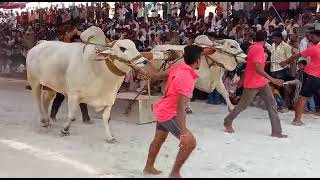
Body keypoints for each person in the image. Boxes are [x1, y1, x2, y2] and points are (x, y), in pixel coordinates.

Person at [143, 45, 204, 178]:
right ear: (197, 60)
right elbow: (181, 108)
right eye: (201, 59)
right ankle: (175, 173)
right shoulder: (187, 77)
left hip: (162, 108)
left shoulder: (178, 67)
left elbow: (156, 76)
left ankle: (148, 167)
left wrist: (147, 67)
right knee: (190, 143)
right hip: (168, 113)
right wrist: (183, 133)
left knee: (159, 138)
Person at [223, 30, 288, 138]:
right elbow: (257, 68)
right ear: (266, 38)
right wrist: (273, 79)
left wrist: (264, 63)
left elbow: (252, 63)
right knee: (243, 105)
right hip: (254, 82)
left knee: (271, 104)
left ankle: (276, 131)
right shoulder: (258, 48)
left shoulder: (252, 47)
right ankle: (228, 120)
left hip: (260, 81)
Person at [50, 26, 91, 124]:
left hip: (77, 74)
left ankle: (85, 118)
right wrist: (75, 32)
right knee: (60, 96)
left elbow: (88, 42)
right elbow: (66, 38)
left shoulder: (81, 45)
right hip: (65, 75)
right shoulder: (66, 43)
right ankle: (52, 115)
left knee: (80, 96)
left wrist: (79, 33)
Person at [280, 29, 320, 126]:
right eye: (309, 37)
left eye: (312, 37)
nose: (310, 39)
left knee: (303, 98)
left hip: (313, 75)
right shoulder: (314, 47)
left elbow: (296, 55)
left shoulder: (315, 48)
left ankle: (297, 119)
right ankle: (297, 119)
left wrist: (285, 62)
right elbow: (297, 55)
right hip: (312, 75)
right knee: (303, 97)